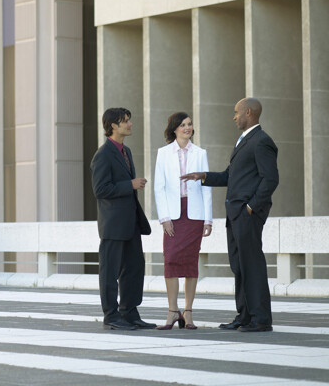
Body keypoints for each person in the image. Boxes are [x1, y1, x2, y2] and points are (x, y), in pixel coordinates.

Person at [180, 97, 278, 332]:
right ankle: (244, 316)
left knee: (251, 264)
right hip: (235, 214)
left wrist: (252, 206)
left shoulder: (262, 141)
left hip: (247, 213)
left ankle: (260, 319)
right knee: (239, 265)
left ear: (248, 113)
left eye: (236, 112)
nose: (234, 117)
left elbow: (270, 178)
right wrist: (203, 176)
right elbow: (230, 176)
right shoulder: (244, 140)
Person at [90, 107, 155, 331]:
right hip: (113, 225)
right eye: (125, 121)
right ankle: (111, 315)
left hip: (131, 223)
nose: (130, 124)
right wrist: (131, 184)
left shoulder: (125, 152)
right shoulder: (103, 154)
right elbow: (100, 189)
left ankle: (129, 312)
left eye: (129, 120)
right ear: (113, 126)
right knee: (109, 272)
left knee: (135, 268)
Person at [153, 112, 213, 330]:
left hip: (194, 214)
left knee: (190, 262)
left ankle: (188, 312)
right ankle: (172, 311)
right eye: (183, 125)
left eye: (189, 124)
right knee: (170, 260)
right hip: (173, 214)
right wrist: (164, 217)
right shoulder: (163, 153)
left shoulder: (200, 153)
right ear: (174, 128)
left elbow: (206, 187)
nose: (187, 128)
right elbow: (159, 187)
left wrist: (208, 219)